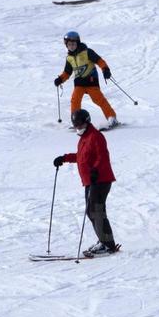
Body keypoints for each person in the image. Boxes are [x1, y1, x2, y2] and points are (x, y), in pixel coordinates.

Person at [53, 109, 119, 257]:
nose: (77, 127)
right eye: (75, 124)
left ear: (87, 121)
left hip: (100, 180)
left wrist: (95, 170)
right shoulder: (84, 138)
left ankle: (108, 245)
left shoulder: (96, 137)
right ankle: (104, 241)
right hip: (91, 181)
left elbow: (102, 156)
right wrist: (64, 158)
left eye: (79, 124)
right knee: (92, 212)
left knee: (96, 211)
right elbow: (81, 157)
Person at [55, 31, 118, 128]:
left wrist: (105, 69)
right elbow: (67, 72)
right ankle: (76, 121)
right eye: (69, 45)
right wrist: (60, 79)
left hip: (91, 81)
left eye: (73, 44)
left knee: (98, 99)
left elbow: (99, 61)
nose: (71, 46)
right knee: (75, 100)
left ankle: (112, 118)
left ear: (78, 43)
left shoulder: (87, 52)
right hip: (79, 83)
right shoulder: (69, 58)